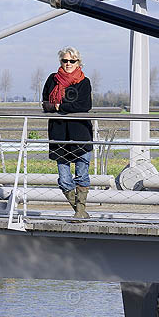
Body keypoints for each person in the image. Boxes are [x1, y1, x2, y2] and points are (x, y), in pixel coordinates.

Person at [42, 46, 93, 219]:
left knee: (82, 175)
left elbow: (84, 106)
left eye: (72, 61)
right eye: (65, 60)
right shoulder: (52, 79)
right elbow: (45, 104)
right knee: (64, 179)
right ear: (60, 62)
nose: (68, 64)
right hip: (58, 134)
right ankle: (80, 211)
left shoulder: (84, 82)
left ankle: (80, 212)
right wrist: (59, 107)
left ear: (79, 62)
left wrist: (58, 106)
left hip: (80, 134)